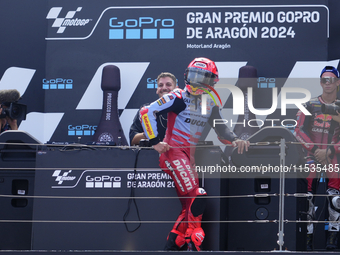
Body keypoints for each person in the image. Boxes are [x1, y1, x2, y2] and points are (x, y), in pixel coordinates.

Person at [140, 57, 249, 251]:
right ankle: (193, 240)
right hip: (173, 154)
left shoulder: (212, 102)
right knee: (197, 196)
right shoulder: (178, 96)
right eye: (193, 76)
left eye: (202, 77)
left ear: (212, 80)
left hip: (189, 157)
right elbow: (146, 112)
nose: (196, 81)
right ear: (186, 76)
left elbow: (221, 129)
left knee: (189, 206)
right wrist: (155, 142)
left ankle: (173, 244)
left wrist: (235, 139)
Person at [294, 66, 340, 250]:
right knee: (307, 194)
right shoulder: (309, 104)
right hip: (311, 154)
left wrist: (329, 151)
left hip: (334, 155)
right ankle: (307, 237)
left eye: (330, 79)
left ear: (338, 82)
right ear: (320, 83)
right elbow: (297, 130)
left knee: (335, 197)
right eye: (323, 80)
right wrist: (314, 150)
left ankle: (333, 237)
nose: (327, 83)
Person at [129, 72, 177, 145]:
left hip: (180, 154)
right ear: (157, 90)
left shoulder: (185, 108)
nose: (164, 88)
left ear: (176, 89)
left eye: (168, 85)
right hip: (152, 154)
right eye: (160, 85)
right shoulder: (146, 110)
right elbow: (133, 139)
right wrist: (150, 133)